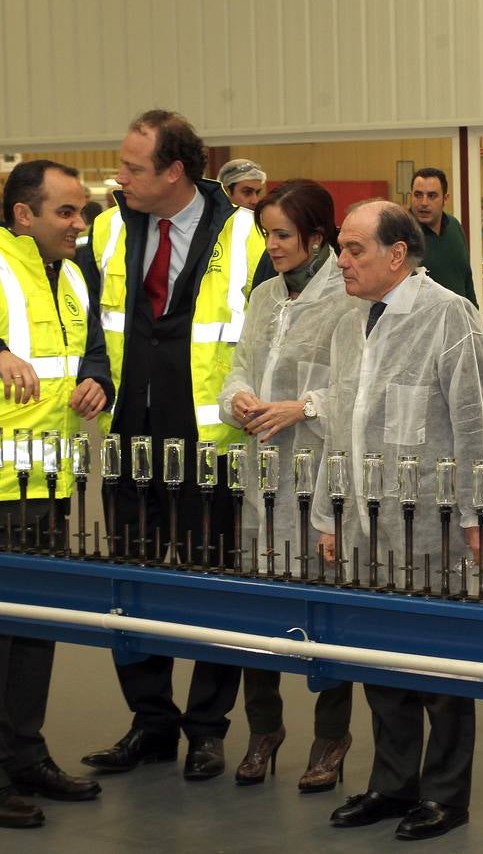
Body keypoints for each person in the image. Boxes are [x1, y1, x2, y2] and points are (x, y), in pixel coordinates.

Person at [79, 110, 266, 782]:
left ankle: (207, 730)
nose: (119, 177)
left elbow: (275, 331)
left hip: (210, 443)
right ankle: (150, 723)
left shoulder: (246, 235)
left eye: (131, 167)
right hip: (130, 439)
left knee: (213, 586)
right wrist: (95, 372)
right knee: (129, 585)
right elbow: (86, 319)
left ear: (174, 171)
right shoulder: (104, 230)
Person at [320, 200, 483, 841]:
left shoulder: (449, 316)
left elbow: (477, 421)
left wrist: (480, 513)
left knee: (443, 663)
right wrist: (329, 512)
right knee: (379, 657)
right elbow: (339, 428)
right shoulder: (351, 323)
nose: (341, 261)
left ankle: (447, 794)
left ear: (397, 254)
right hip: (365, 518)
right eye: (340, 248)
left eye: (354, 249)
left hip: (434, 518)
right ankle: (393, 784)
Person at [218, 180, 358, 790]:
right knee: (259, 610)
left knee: (326, 610)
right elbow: (240, 368)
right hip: (263, 477)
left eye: (281, 234)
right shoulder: (265, 296)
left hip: (321, 475)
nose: (270, 245)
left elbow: (356, 390)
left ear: (317, 236)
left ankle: (331, 736)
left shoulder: (348, 298)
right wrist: (239, 399)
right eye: (264, 233)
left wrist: (301, 408)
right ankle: (264, 728)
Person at [0, 160, 109, 829]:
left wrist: (100, 383)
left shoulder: (71, 276)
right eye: (67, 212)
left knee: (35, 628)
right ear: (23, 215)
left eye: (83, 211)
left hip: (50, 478)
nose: (80, 224)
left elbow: (93, 352)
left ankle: (25, 756)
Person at [408, 168, 477, 306]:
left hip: (458, 321)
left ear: (445, 199)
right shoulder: (400, 233)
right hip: (422, 324)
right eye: (418, 195)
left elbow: (466, 278)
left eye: (432, 195)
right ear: (411, 196)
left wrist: (474, 317)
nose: (424, 203)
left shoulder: (454, 226)